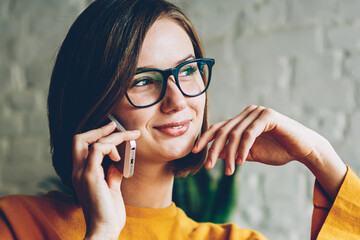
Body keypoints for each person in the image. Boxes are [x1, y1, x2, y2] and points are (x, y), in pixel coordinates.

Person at [0, 0, 360, 239]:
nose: (177, 100)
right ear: (94, 102)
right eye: (143, 80)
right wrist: (103, 232)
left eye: (187, 70)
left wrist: (318, 156)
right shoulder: (16, 223)